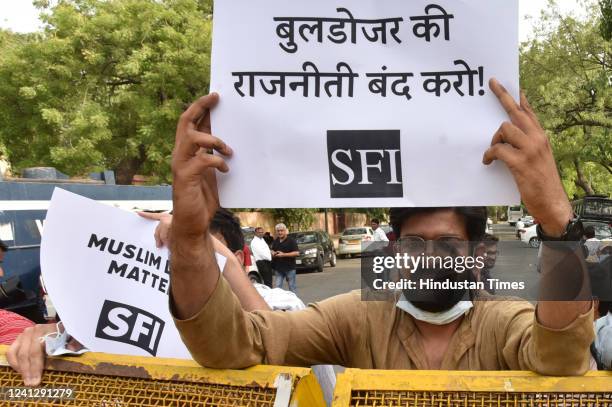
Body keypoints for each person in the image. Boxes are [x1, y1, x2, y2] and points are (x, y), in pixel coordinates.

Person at [167, 80, 593, 374]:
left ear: (478, 253)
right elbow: (232, 345)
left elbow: (562, 359)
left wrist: (557, 220)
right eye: (414, 242)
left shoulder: (504, 321)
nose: (428, 258)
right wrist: (189, 236)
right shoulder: (356, 317)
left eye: (447, 243)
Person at [271, 223, 299, 293]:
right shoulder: (276, 241)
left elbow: (297, 253)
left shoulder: (291, 241)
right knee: (277, 288)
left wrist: (284, 255)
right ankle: (278, 303)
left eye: (281, 230)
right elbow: (272, 250)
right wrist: (272, 252)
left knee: (292, 287)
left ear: (285, 231)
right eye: (278, 231)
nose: (280, 232)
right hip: (278, 269)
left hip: (289, 268)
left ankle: (294, 303)